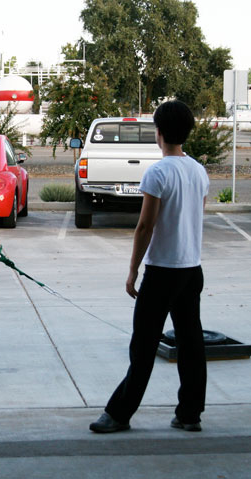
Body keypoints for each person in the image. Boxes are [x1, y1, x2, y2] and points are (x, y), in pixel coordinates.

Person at [90, 100, 209, 433]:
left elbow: (145, 226)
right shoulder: (199, 170)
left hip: (162, 271)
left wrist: (133, 271)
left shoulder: (158, 172)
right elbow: (195, 215)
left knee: (142, 345)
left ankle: (118, 414)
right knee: (191, 343)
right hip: (191, 269)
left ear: (158, 133)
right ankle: (190, 414)